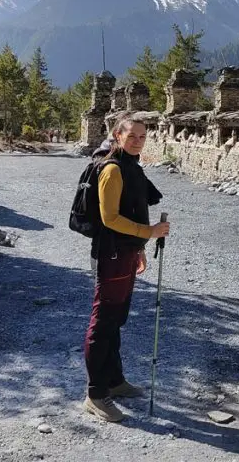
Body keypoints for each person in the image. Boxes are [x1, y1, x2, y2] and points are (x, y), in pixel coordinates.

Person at [82, 116, 171, 423]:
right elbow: (111, 219)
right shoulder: (112, 169)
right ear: (117, 136)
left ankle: (114, 381)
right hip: (112, 254)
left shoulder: (131, 165)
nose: (137, 140)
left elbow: (134, 210)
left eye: (143, 136)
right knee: (104, 321)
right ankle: (95, 394)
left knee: (116, 319)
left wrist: (141, 249)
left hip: (126, 254)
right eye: (131, 135)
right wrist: (151, 233)